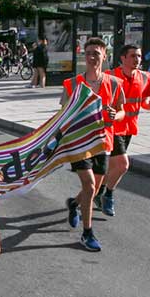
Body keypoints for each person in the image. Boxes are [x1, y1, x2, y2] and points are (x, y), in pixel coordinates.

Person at [61, 37, 125, 252]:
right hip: (79, 143)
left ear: (104, 56)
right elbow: (63, 113)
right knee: (89, 186)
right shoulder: (72, 84)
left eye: (96, 53)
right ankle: (87, 233)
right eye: (88, 53)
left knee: (95, 188)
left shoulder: (114, 83)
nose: (91, 57)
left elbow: (122, 110)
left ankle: (74, 204)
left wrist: (116, 116)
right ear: (83, 55)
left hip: (103, 142)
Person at [95, 44, 150, 216]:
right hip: (112, 127)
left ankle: (99, 192)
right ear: (123, 58)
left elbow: (144, 100)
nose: (137, 59)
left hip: (130, 128)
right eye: (133, 56)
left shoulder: (145, 77)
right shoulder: (109, 76)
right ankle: (108, 195)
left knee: (114, 167)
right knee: (123, 165)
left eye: (138, 56)